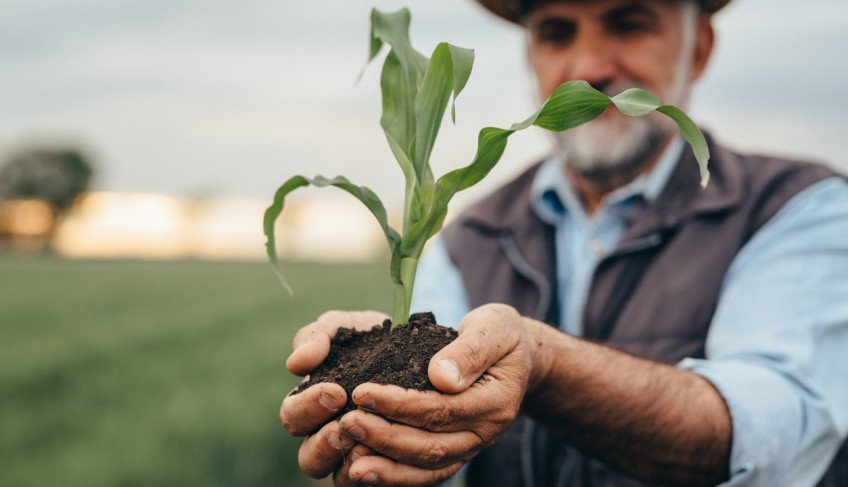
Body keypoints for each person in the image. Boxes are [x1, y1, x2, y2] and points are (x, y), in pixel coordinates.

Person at [280, 0, 848, 485]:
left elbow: (778, 428)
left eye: (628, 23)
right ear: (531, 54)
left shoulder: (798, 206)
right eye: (556, 33)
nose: (589, 66)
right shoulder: (468, 239)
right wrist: (375, 410)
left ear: (697, 48)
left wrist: (545, 364)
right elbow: (438, 415)